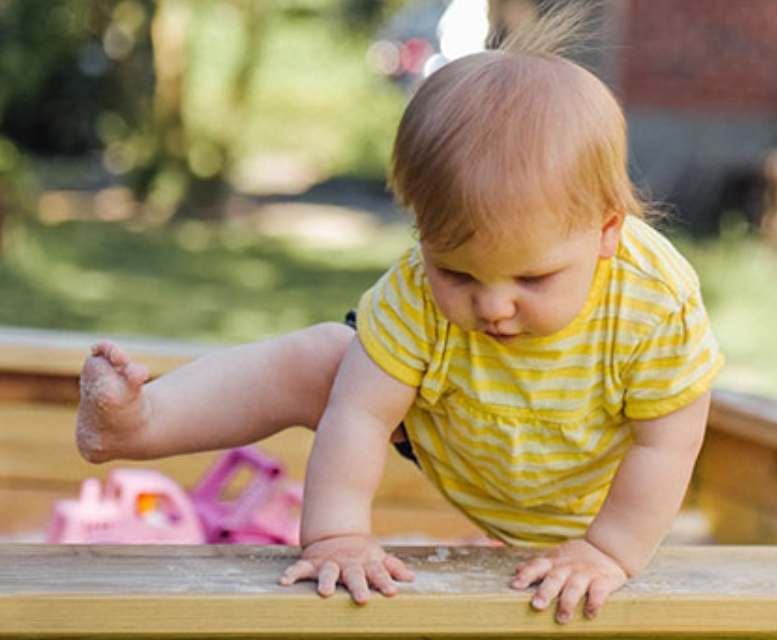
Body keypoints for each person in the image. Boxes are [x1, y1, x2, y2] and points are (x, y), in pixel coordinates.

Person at [72, 5, 722, 625]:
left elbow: (668, 440)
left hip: (591, 486)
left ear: (607, 231)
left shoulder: (652, 302)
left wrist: (608, 551)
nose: (493, 306)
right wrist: (337, 536)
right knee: (325, 360)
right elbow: (358, 415)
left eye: (534, 278)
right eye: (458, 273)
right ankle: (139, 423)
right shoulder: (413, 290)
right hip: (460, 429)